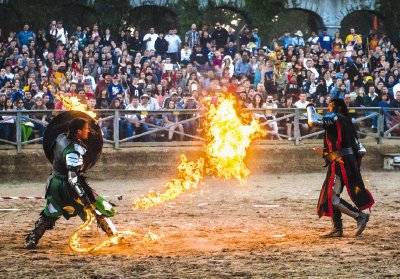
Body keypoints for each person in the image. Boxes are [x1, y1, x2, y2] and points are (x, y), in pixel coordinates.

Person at [25, 117, 116, 249]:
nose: (88, 131)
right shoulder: (74, 150)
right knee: (94, 205)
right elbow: (72, 177)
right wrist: (84, 198)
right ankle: (113, 235)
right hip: (67, 187)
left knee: (50, 212)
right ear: (78, 131)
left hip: (54, 183)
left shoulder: (60, 138)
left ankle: (32, 239)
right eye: (85, 129)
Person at [307, 99, 374, 238]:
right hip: (346, 162)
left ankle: (359, 216)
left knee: (331, 196)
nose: (327, 108)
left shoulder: (334, 117)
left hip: (340, 163)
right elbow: (361, 150)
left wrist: (309, 107)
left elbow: (312, 121)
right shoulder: (347, 122)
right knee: (331, 194)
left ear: (334, 107)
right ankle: (337, 228)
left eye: (329, 106)